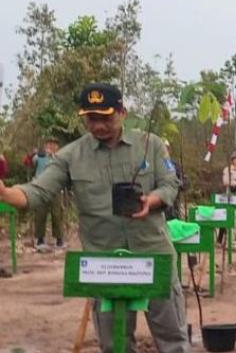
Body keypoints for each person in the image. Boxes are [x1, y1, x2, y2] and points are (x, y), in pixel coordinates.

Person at [0, 83, 188, 352]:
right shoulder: (71, 155)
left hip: (153, 255)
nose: (98, 126)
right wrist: (5, 193)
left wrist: (153, 200)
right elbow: (37, 191)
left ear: (122, 112)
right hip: (104, 261)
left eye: (106, 118)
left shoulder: (151, 145)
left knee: (173, 339)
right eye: (91, 119)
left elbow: (170, 184)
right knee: (114, 344)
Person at [25, 137, 65, 251]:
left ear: (57, 147)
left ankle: (59, 239)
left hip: (55, 188)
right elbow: (27, 162)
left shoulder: (60, 158)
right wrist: (31, 154)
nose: (51, 146)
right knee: (40, 214)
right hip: (40, 188)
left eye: (54, 144)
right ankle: (40, 239)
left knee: (57, 214)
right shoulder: (40, 156)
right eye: (49, 144)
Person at [163, 139, 186, 221]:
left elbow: (184, 182)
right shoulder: (150, 165)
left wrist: (179, 184)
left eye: (165, 148)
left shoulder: (175, 165)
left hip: (173, 207)